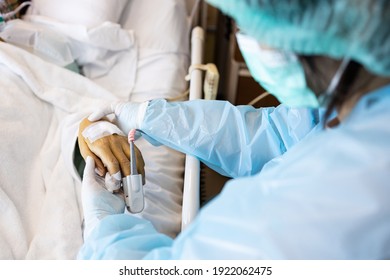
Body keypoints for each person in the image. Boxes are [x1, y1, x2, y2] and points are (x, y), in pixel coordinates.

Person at [77, 0, 390, 259]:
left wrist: (103, 229)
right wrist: (150, 116)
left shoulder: (320, 203)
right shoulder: (366, 100)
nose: (245, 37)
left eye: (246, 27)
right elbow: (278, 135)